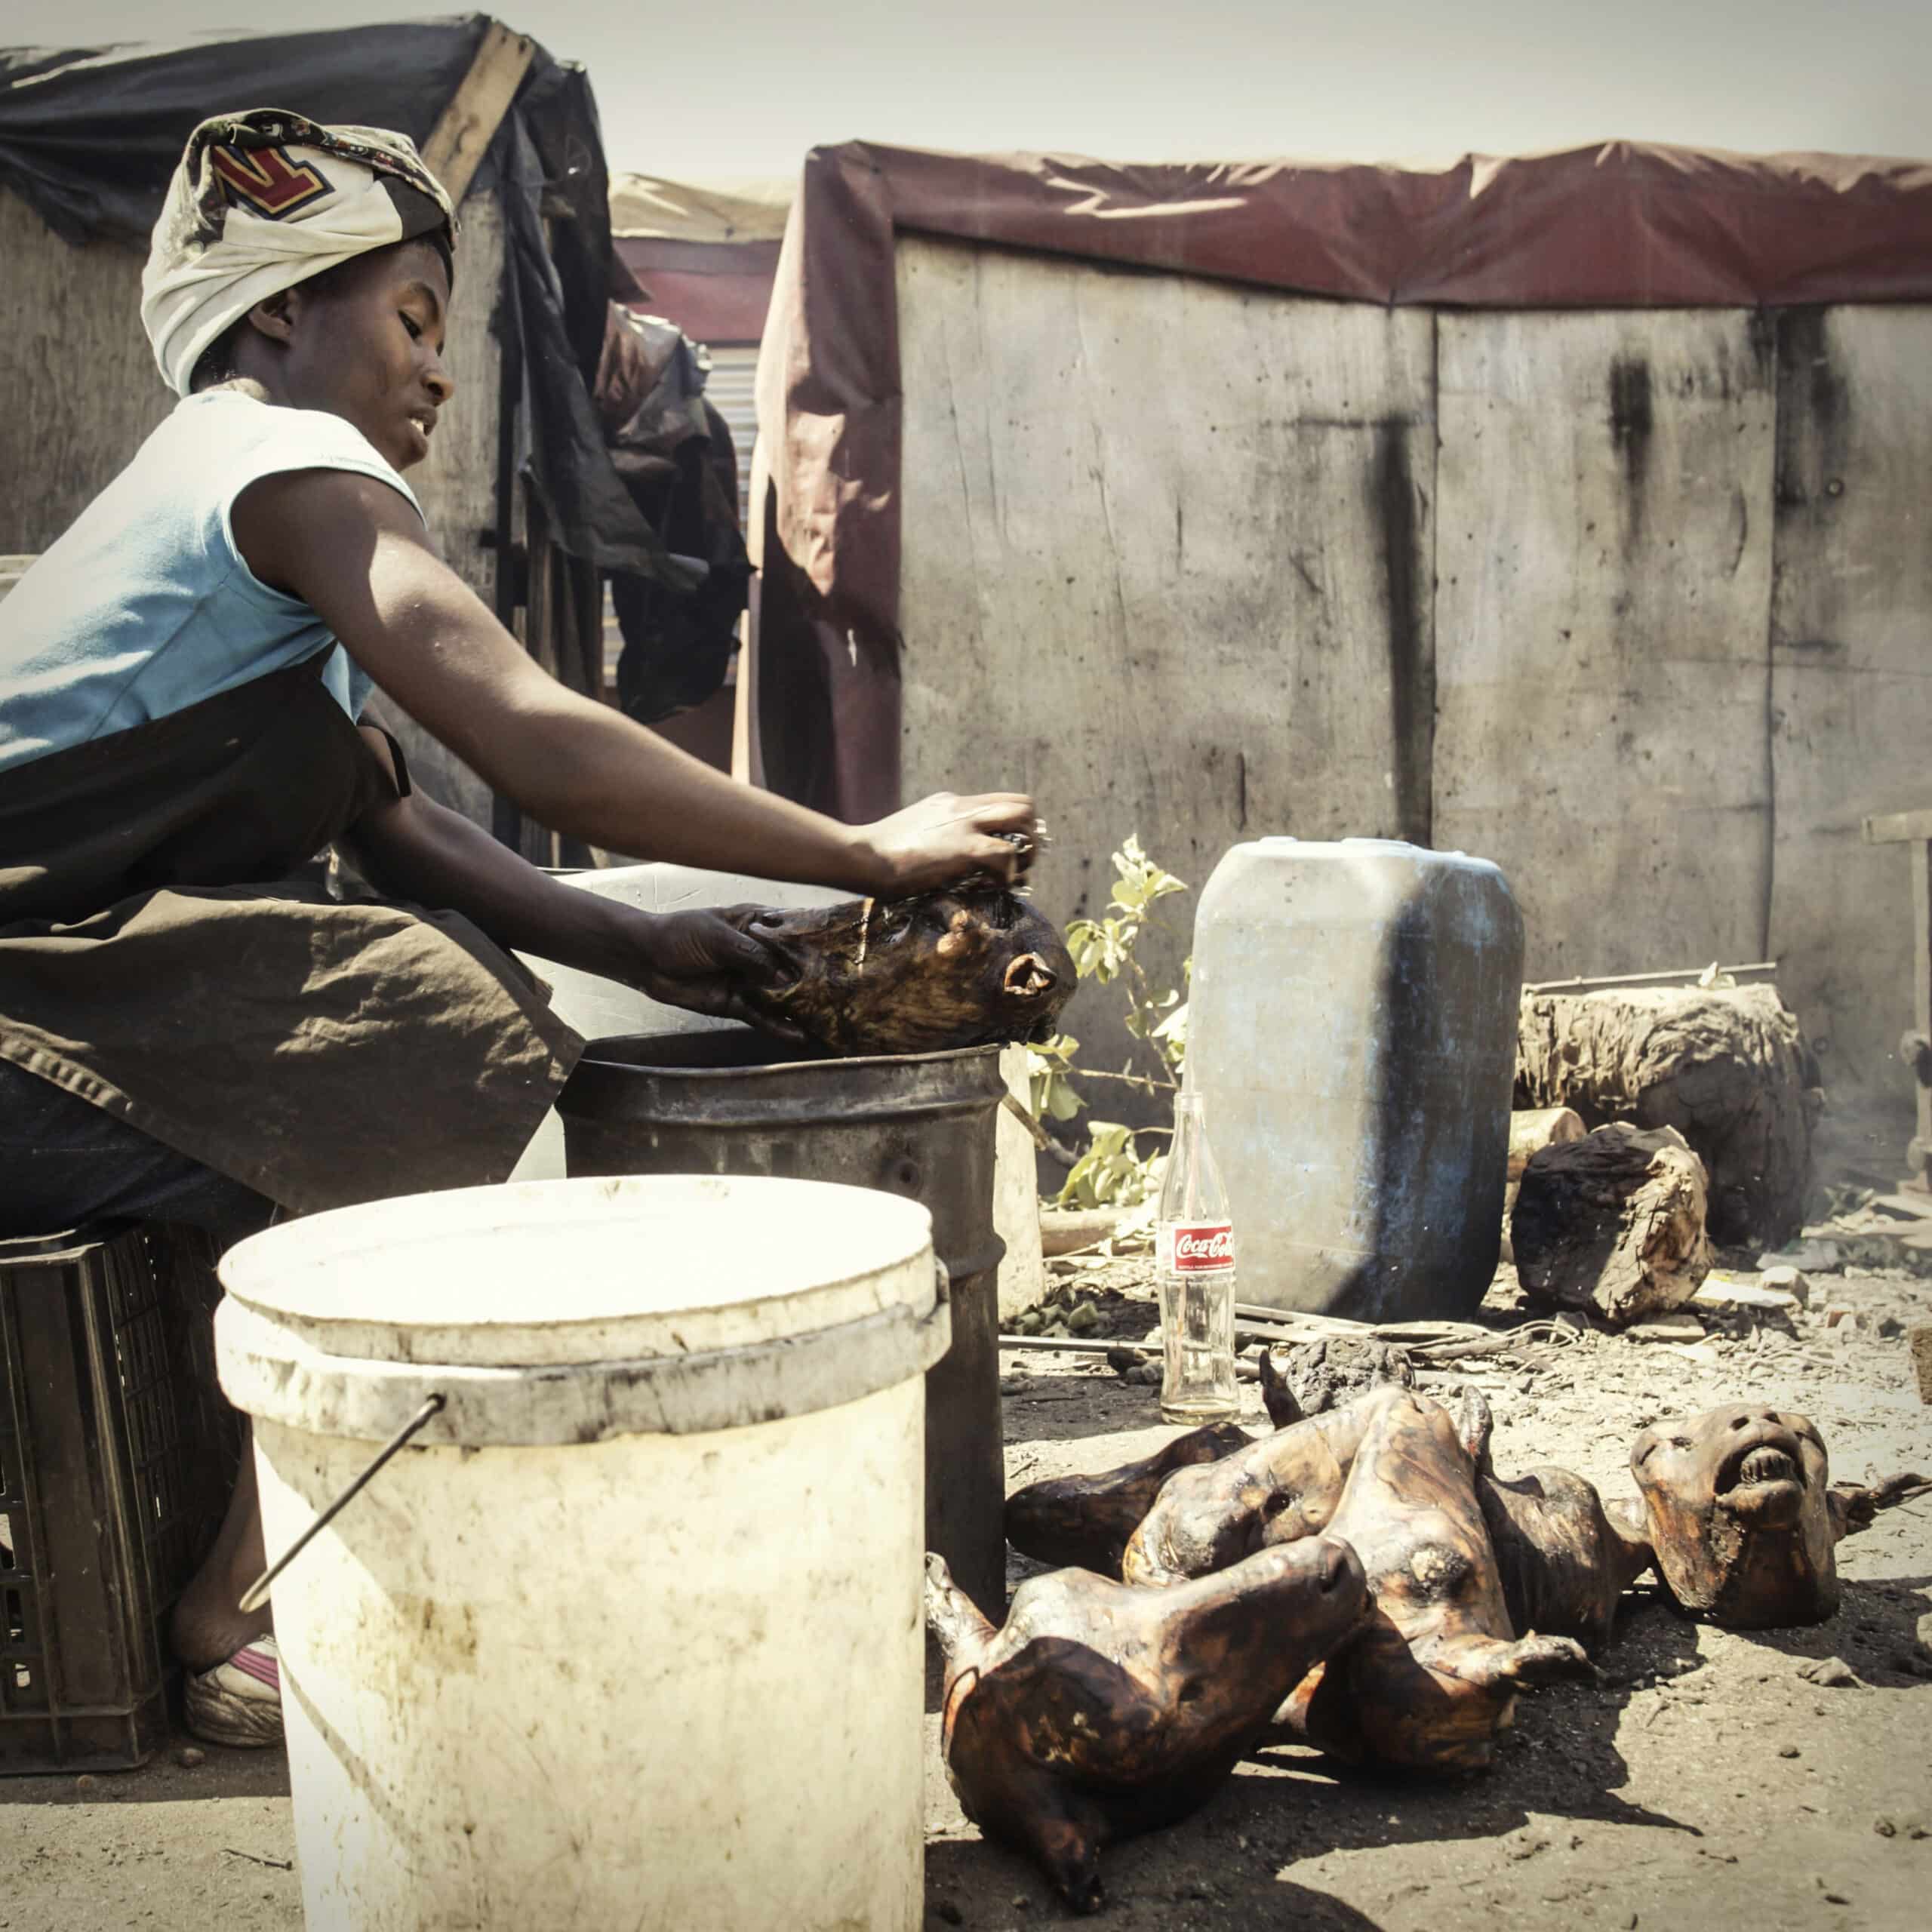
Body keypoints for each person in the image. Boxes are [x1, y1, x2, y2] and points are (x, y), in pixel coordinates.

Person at [0, 112, 1041, 1748]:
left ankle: (275, 1552)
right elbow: (535, 738)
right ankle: (242, 1613)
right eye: (413, 319)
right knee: (417, 1027)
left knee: (396, 999)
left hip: (52, 1016)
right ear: (279, 311)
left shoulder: (228, 519)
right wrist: (864, 850)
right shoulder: (277, 465)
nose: (437, 374)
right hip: (20, 1038)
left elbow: (393, 821)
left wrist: (644, 947)